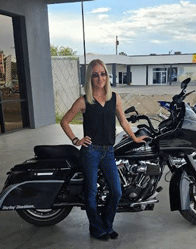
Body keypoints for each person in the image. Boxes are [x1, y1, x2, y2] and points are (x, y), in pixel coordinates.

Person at [60, 59, 148, 241]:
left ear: (107, 76)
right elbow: (64, 121)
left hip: (108, 151)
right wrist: (76, 140)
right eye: (95, 74)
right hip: (90, 151)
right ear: (90, 78)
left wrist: (134, 138)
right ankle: (96, 228)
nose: (100, 78)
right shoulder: (83, 101)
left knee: (116, 191)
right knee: (91, 192)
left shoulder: (114, 98)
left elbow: (123, 121)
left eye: (103, 73)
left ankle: (107, 226)